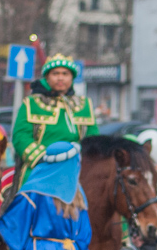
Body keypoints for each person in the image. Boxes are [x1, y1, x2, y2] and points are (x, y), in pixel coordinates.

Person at [11, 54, 99, 186]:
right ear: (47, 77)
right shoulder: (31, 103)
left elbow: (93, 138)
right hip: (39, 167)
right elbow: (20, 136)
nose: (60, 78)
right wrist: (41, 158)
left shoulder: (84, 105)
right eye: (55, 73)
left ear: (72, 78)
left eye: (65, 73)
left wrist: (83, 158)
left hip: (75, 167)